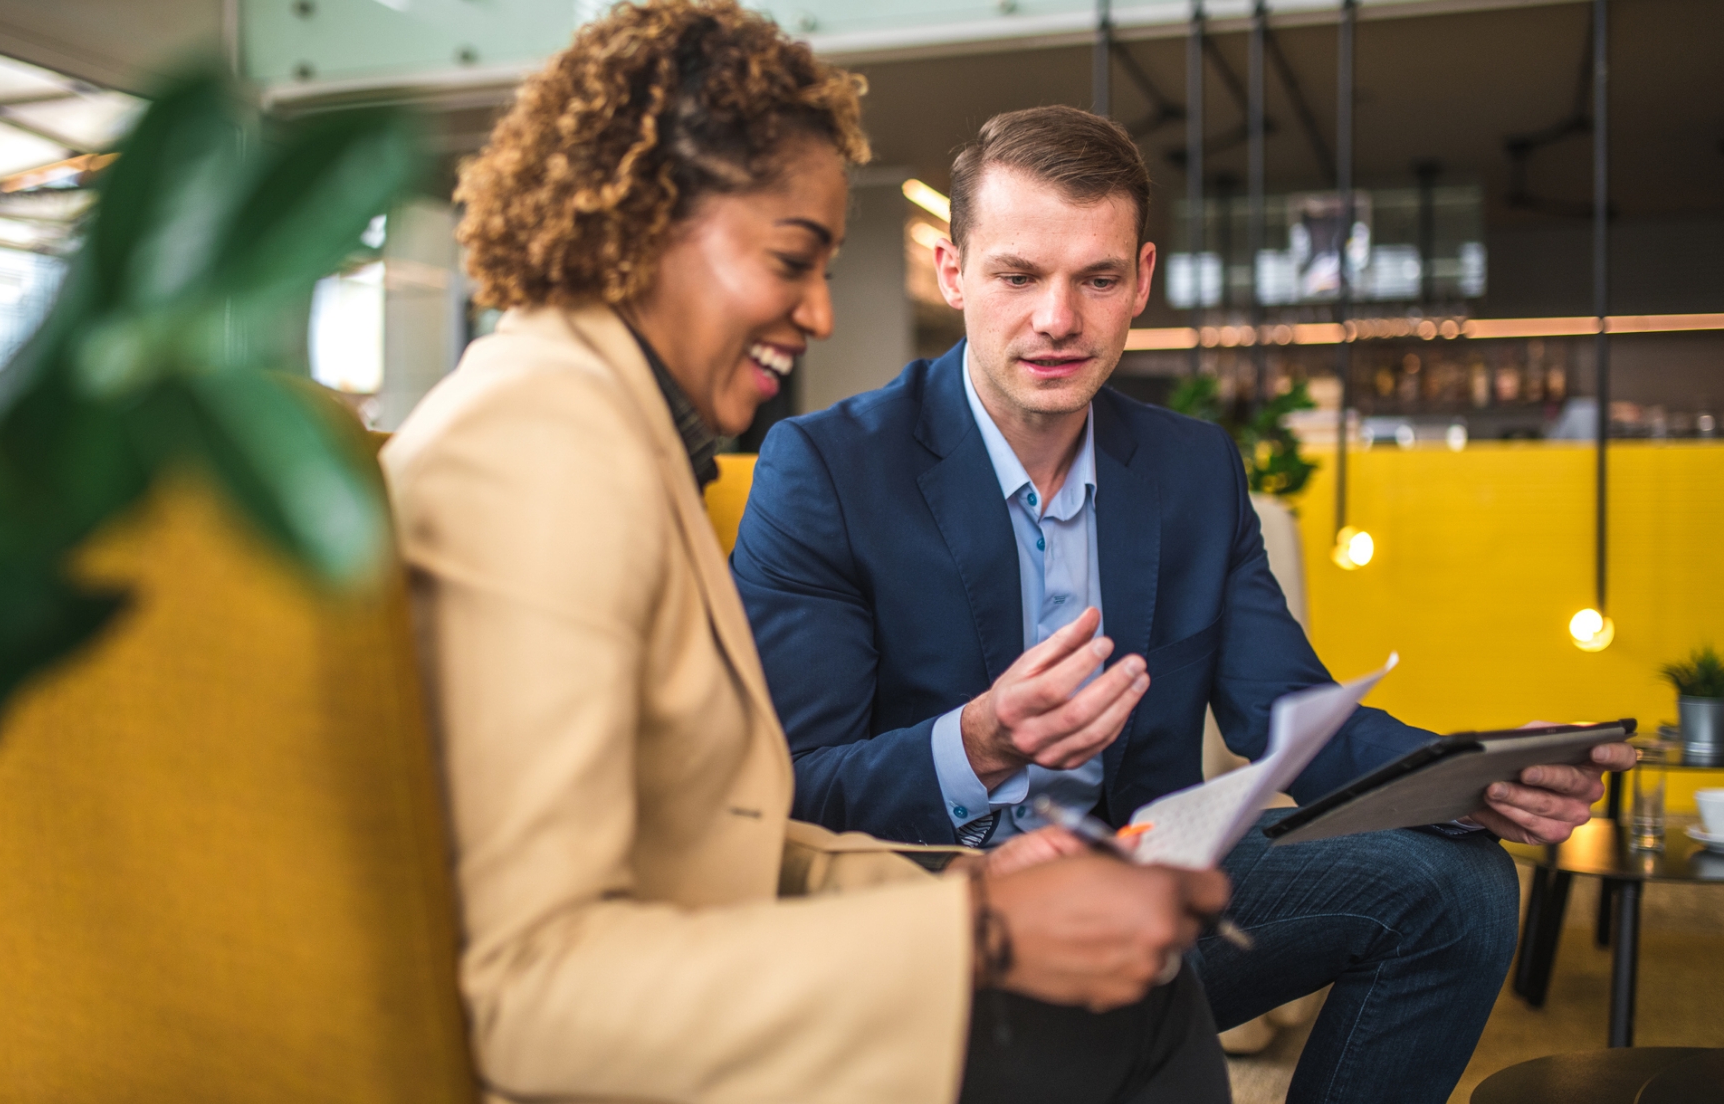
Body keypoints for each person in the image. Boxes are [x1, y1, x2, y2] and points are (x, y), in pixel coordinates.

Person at [381, 6, 1234, 1102]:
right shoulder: (542, 454)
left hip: (729, 971)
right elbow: (523, 993)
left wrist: (964, 896)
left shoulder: (610, 431)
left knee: (1151, 989)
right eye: (794, 259)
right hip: (629, 1051)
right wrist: (970, 935)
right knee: (1132, 1015)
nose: (825, 313)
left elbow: (707, 834)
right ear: (644, 225)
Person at [730, 104, 1637, 1104]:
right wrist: (980, 741)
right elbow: (790, 789)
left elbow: (1287, 712)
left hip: (1148, 877)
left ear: (1142, 284)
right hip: (940, 912)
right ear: (954, 273)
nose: (1057, 320)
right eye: (1018, 275)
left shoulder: (1191, 467)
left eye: (1098, 278)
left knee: (1459, 890)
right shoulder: (825, 468)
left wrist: (1472, 775)